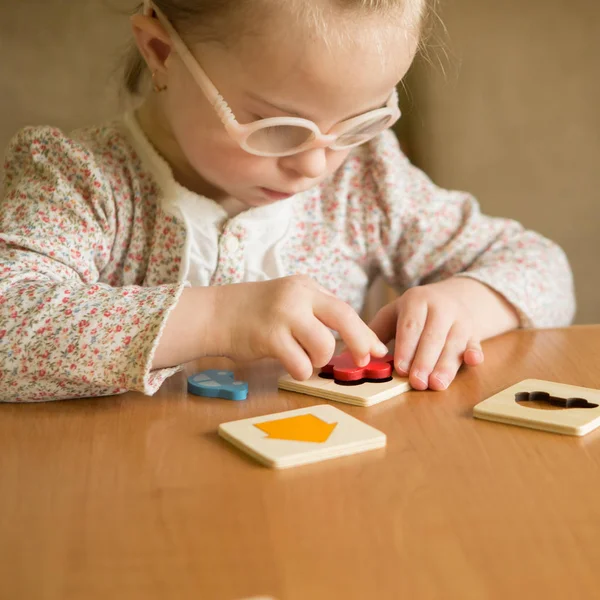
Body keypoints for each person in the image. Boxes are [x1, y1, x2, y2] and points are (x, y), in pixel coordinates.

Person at [0, 0, 575, 403]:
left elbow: (542, 266)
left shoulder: (366, 181)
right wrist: (221, 317)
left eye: (359, 122)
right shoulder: (75, 179)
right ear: (160, 52)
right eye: (277, 125)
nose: (314, 165)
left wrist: (466, 304)